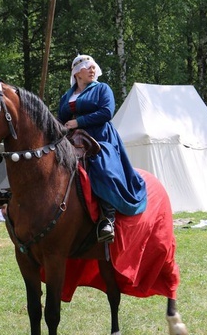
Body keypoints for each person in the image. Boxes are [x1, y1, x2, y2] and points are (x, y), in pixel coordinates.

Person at [58, 54, 147, 243]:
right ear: (76, 73)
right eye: (87, 67)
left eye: (93, 67)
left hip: (100, 138)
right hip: (72, 140)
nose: (92, 70)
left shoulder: (102, 89)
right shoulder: (67, 96)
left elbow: (107, 112)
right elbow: (61, 117)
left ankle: (108, 219)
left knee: (104, 168)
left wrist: (78, 121)